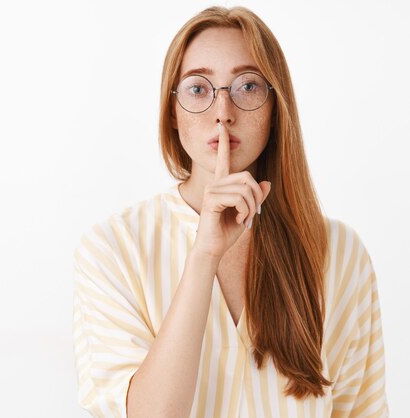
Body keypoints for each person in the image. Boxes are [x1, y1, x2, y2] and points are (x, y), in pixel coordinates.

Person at [71, 6, 388, 418]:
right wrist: (204, 255)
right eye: (199, 89)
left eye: (247, 86)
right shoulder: (113, 249)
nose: (223, 111)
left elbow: (361, 410)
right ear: (172, 111)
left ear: (275, 109)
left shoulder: (340, 254)